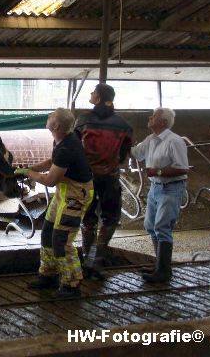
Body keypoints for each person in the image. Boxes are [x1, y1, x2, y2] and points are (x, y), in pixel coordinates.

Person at [15, 108, 93, 299]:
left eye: (51, 116)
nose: (48, 118)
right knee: (48, 232)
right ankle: (48, 275)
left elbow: (50, 180)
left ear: (56, 125)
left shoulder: (67, 147)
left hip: (76, 195)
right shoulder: (61, 141)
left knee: (62, 239)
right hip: (65, 193)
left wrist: (27, 173)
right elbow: (53, 161)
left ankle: (72, 284)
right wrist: (32, 167)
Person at [74, 84, 133, 278]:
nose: (90, 94)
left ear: (98, 98)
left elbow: (74, 149)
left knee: (87, 218)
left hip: (87, 178)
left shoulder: (83, 121)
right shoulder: (123, 125)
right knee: (110, 218)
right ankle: (97, 260)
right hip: (110, 178)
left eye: (93, 92)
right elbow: (124, 154)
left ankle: (85, 260)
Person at [131, 107, 188, 283]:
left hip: (171, 187)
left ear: (163, 122)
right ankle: (159, 265)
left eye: (154, 116)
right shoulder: (150, 139)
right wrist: (123, 140)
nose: (150, 117)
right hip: (156, 187)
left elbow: (183, 168)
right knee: (150, 225)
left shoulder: (175, 141)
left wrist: (159, 171)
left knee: (162, 226)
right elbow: (135, 153)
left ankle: (164, 271)